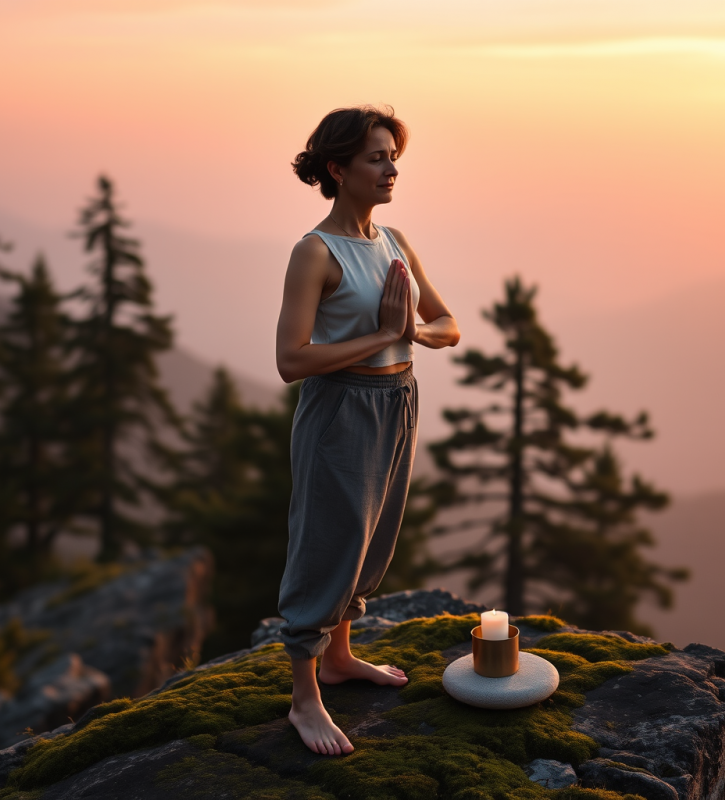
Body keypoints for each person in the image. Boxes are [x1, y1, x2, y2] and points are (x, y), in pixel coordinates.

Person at [275, 105, 460, 757]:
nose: (391, 169)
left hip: (398, 400)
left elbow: (447, 325)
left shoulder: (395, 242)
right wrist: (380, 335)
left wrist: (411, 333)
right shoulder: (315, 251)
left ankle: (340, 657)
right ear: (338, 168)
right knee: (329, 539)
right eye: (377, 158)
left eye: (393, 157)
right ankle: (304, 696)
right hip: (341, 408)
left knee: (373, 537)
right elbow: (291, 360)